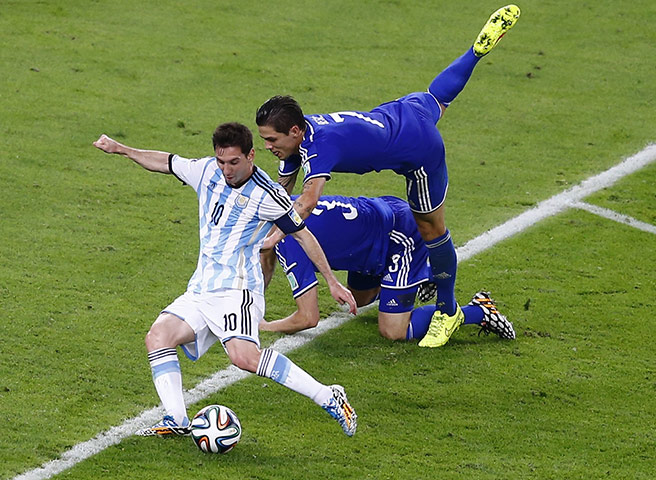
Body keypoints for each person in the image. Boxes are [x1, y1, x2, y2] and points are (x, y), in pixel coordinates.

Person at [255, 6, 521, 348]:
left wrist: (269, 239)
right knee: (439, 98)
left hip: (419, 152)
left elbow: (306, 202)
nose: (267, 146)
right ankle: (475, 52)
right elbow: (281, 192)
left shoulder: (318, 147)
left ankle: (450, 309)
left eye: (271, 140)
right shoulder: (299, 139)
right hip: (400, 113)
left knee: (432, 230)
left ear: (294, 131)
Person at [92, 123, 359, 437]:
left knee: (244, 357)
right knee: (158, 336)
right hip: (202, 288)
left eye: (234, 162)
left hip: (237, 290)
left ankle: (327, 395)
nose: (227, 170)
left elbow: (303, 235)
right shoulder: (207, 172)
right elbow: (166, 161)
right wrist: (122, 149)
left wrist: (331, 281)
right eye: (221, 162)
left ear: (250, 155)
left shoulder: (268, 194)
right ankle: (176, 420)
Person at [260, 194, 515, 344]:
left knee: (393, 331)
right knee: (359, 299)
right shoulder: (282, 210)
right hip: (369, 240)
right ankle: (417, 278)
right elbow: (264, 264)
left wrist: (262, 326)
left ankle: (477, 310)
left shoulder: (285, 240)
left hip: (400, 234)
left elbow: (308, 317)